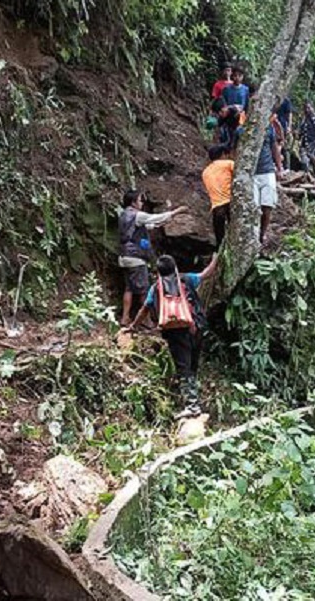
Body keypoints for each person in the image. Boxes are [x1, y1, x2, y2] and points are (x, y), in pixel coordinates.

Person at [125, 252, 219, 417]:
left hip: (174, 333)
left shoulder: (156, 289)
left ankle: (192, 405)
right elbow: (206, 274)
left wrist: (133, 326)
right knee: (192, 366)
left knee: (184, 368)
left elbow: (144, 309)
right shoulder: (187, 279)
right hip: (196, 328)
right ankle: (193, 399)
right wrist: (215, 259)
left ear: (158, 272)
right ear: (175, 267)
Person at [118, 189, 187, 325]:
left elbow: (147, 225)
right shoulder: (136, 215)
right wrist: (175, 212)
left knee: (129, 288)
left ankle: (125, 317)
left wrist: (161, 223)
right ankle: (146, 320)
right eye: (139, 200)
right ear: (133, 202)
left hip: (124, 256)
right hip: (135, 258)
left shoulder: (124, 215)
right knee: (144, 290)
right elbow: (152, 218)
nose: (142, 203)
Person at [201, 144, 234, 247]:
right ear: (223, 154)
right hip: (230, 203)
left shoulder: (205, 172)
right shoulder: (228, 163)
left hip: (216, 207)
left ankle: (220, 256)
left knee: (220, 239)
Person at [254, 122, 280, 243]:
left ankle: (262, 233)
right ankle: (254, 234)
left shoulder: (269, 128)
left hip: (267, 170)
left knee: (267, 206)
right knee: (254, 206)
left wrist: (279, 167)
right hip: (252, 173)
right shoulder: (243, 130)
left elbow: (274, 147)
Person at [300, 100, 315, 177]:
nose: (307, 110)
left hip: (313, 140)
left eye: (309, 108)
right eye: (305, 108)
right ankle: (307, 173)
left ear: (312, 108)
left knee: (311, 154)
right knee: (304, 157)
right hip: (305, 141)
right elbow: (302, 130)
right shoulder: (304, 118)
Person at [275, 95, 293, 171]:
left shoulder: (285, 100)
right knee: (275, 145)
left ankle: (286, 166)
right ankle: (277, 165)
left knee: (284, 146)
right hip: (274, 125)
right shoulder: (272, 99)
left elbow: (289, 114)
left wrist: (289, 126)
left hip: (283, 126)